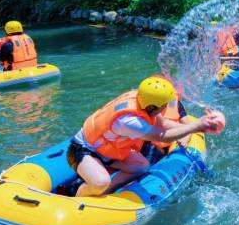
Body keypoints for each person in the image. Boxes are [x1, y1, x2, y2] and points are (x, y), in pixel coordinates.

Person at [66, 76, 225, 197]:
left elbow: (162, 125)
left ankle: (107, 191)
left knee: (141, 166)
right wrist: (197, 125)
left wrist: (199, 127)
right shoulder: (129, 122)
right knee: (101, 182)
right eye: (163, 106)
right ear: (152, 106)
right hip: (84, 150)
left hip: (109, 151)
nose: (165, 108)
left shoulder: (141, 99)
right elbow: (164, 136)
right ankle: (81, 196)